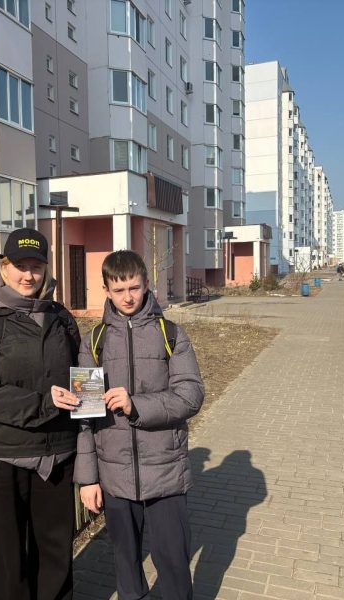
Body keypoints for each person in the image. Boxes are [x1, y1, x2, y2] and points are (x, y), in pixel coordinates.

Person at [72, 250, 205, 600]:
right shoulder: (93, 342)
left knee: (174, 564)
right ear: (106, 290)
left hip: (166, 472)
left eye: (134, 287)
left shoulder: (171, 334)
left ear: (147, 284)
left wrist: (137, 405)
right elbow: (85, 417)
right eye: (119, 290)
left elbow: (191, 395)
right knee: (126, 566)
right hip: (114, 475)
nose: (128, 297)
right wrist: (88, 479)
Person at [0, 227, 82, 600]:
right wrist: (44, 404)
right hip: (4, 458)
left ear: (46, 270)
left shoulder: (60, 317)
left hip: (57, 455)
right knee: (8, 561)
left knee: (56, 554)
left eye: (37, 267)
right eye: (21, 266)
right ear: (4, 267)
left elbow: (82, 373)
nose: (29, 275)